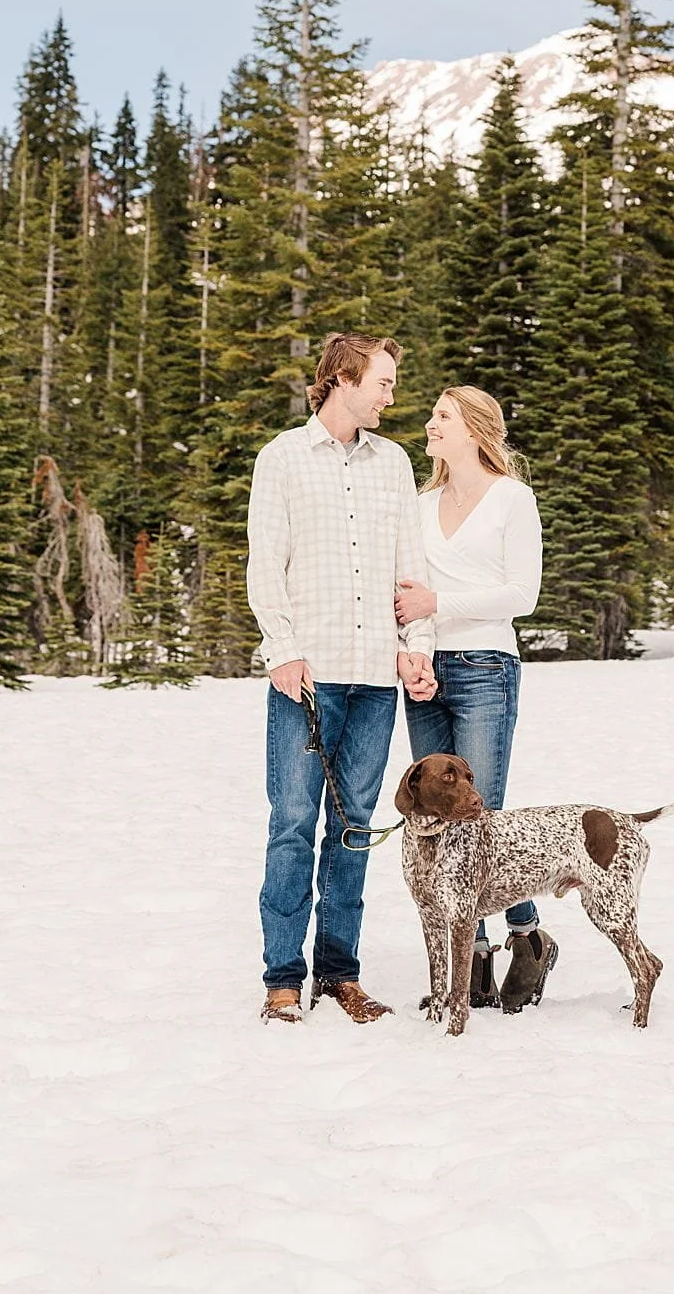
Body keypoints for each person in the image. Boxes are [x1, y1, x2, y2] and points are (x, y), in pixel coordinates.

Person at [248, 333, 437, 1025]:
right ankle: (282, 980)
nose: (391, 395)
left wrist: (415, 645)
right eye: (383, 382)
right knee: (294, 822)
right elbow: (266, 565)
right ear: (343, 379)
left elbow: (408, 567)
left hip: (372, 681)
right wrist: (282, 650)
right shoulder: (283, 458)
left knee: (354, 826)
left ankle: (340, 972)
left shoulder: (393, 464)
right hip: (307, 675)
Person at [395, 385, 550, 1009]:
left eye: (442, 416)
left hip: (488, 664)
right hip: (428, 670)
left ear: (475, 430)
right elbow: (409, 588)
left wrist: (440, 605)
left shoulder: (513, 499)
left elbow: (523, 595)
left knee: (478, 813)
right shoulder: (421, 501)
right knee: (436, 815)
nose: (429, 424)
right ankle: (475, 954)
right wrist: (417, 649)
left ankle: (526, 936)